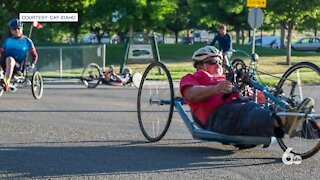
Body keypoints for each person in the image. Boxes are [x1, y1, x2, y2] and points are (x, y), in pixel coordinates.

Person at [179, 46, 319, 146]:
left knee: (270, 107)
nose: (218, 65)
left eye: (220, 62)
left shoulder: (227, 77)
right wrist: (216, 88)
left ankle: (312, 125)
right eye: (213, 62)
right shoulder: (194, 77)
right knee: (249, 111)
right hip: (220, 114)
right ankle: (289, 120)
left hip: (247, 107)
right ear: (199, 65)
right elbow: (191, 94)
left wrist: (263, 94)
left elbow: (257, 96)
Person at [0, 19, 38, 91]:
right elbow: (2, 53)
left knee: (9, 59)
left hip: (18, 65)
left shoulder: (27, 41)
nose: (17, 30)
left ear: (22, 29)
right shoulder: (8, 41)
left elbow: (34, 55)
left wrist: (32, 65)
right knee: (7, 59)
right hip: (4, 63)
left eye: (18, 28)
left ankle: (7, 82)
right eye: (14, 29)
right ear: (11, 30)